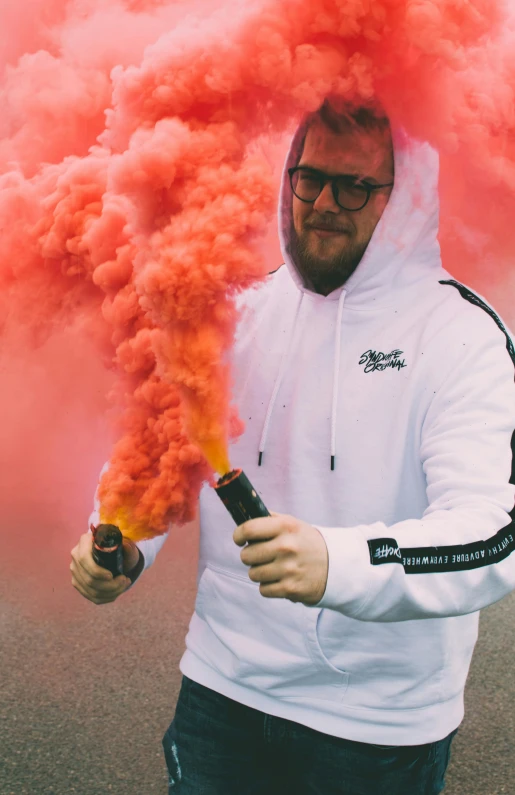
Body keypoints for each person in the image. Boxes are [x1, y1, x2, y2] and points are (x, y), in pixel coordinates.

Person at [70, 100, 515, 794]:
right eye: (308, 178)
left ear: (406, 197)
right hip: (223, 688)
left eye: (355, 187)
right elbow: (165, 444)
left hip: (376, 724)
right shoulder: (237, 307)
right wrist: (122, 538)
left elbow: (493, 533)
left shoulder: (462, 337)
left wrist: (340, 561)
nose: (325, 203)